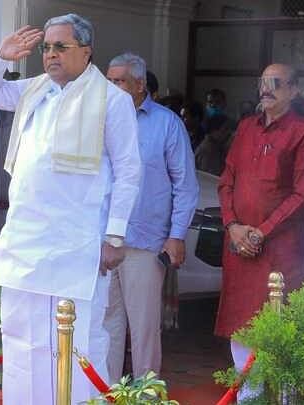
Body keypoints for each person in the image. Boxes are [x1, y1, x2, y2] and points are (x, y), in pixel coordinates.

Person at [0, 15, 141, 404]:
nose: (50, 55)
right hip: (25, 241)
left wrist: (114, 235)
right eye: (46, 47)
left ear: (86, 51)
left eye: (60, 47)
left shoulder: (112, 101)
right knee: (21, 340)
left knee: (81, 341)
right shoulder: (35, 90)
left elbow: (130, 171)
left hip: (77, 244)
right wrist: (1, 57)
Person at [216, 63, 304, 401]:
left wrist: (261, 232)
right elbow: (226, 181)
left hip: (278, 250)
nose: (266, 89)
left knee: (277, 329)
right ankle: (248, 398)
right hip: (239, 246)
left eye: (276, 83)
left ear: (294, 90)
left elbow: (301, 194)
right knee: (239, 326)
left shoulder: (303, 130)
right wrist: (233, 227)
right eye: (262, 82)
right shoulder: (246, 127)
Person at [103, 52, 199, 381]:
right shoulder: (98, 118)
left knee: (143, 328)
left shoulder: (166, 124)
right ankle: (105, 395)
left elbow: (185, 186)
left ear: (140, 84)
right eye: (109, 80)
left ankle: (144, 396)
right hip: (101, 241)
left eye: (119, 81)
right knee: (105, 327)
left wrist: (176, 235)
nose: (111, 87)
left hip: (143, 242)